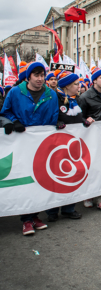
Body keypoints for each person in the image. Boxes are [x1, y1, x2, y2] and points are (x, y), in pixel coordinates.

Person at [1, 62, 59, 236]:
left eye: (42, 75)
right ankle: (26, 219)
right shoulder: (15, 92)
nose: (40, 79)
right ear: (29, 77)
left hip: (42, 144)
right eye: (36, 75)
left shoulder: (51, 95)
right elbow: (4, 112)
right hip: (22, 143)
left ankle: (35, 215)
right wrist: (14, 121)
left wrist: (59, 123)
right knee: (25, 179)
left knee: (39, 179)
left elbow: (54, 115)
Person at [46, 70, 86, 222]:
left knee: (72, 175)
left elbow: (77, 118)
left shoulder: (75, 100)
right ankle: (52, 210)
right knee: (56, 177)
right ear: (68, 86)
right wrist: (56, 122)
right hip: (58, 144)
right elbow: (50, 116)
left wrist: (84, 122)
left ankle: (69, 208)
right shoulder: (54, 98)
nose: (79, 86)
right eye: (76, 84)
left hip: (73, 144)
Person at [78, 67, 101, 211]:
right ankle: (88, 195)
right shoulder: (85, 97)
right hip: (90, 138)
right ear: (94, 81)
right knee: (91, 167)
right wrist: (85, 120)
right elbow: (79, 117)